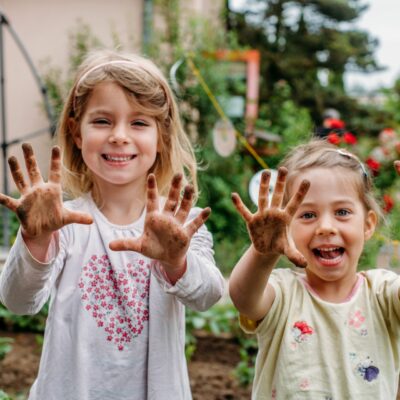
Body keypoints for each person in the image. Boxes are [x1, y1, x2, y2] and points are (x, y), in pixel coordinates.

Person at [0, 49, 224, 400]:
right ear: (76, 133)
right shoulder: (63, 224)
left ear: (161, 136)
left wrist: (175, 261)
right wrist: (36, 239)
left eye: (138, 122)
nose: (119, 135)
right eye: (102, 121)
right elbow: (17, 301)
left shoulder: (182, 225)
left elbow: (208, 296)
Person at [229, 139, 400, 398]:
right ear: (286, 227)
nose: (325, 227)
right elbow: (244, 299)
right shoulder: (283, 293)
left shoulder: (381, 292)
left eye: (342, 212)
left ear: (368, 224)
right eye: (308, 215)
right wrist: (262, 254)